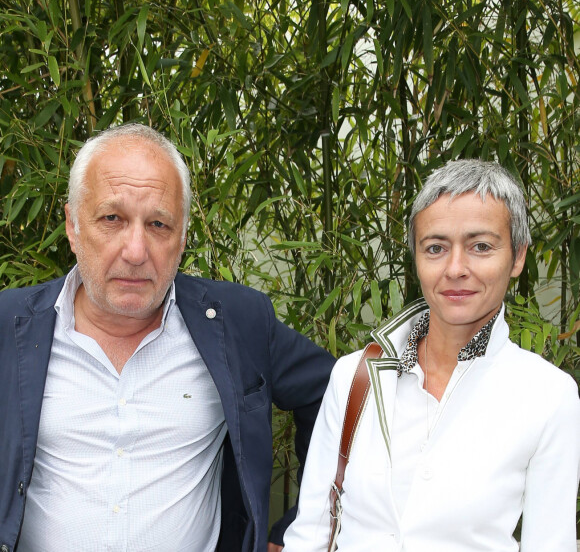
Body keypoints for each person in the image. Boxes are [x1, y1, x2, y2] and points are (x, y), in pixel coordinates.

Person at [0, 124, 335, 552]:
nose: (136, 251)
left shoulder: (236, 322)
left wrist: (299, 530)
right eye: (112, 219)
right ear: (72, 224)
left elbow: (337, 396)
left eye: (158, 224)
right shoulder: (10, 324)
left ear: (182, 236)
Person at [283, 159, 580, 552]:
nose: (456, 268)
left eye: (481, 246)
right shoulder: (355, 376)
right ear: (416, 257)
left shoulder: (548, 396)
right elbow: (311, 533)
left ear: (518, 257)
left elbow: (550, 544)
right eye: (436, 248)